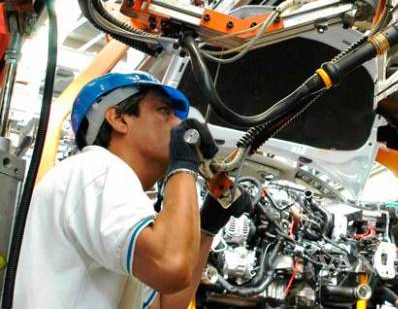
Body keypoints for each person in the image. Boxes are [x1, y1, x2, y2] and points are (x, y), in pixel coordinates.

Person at [13, 71, 252, 308]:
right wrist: (183, 165)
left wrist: (208, 224)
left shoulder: (109, 191)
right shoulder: (97, 170)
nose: (178, 124)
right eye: (164, 111)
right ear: (118, 118)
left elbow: (165, 304)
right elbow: (171, 266)